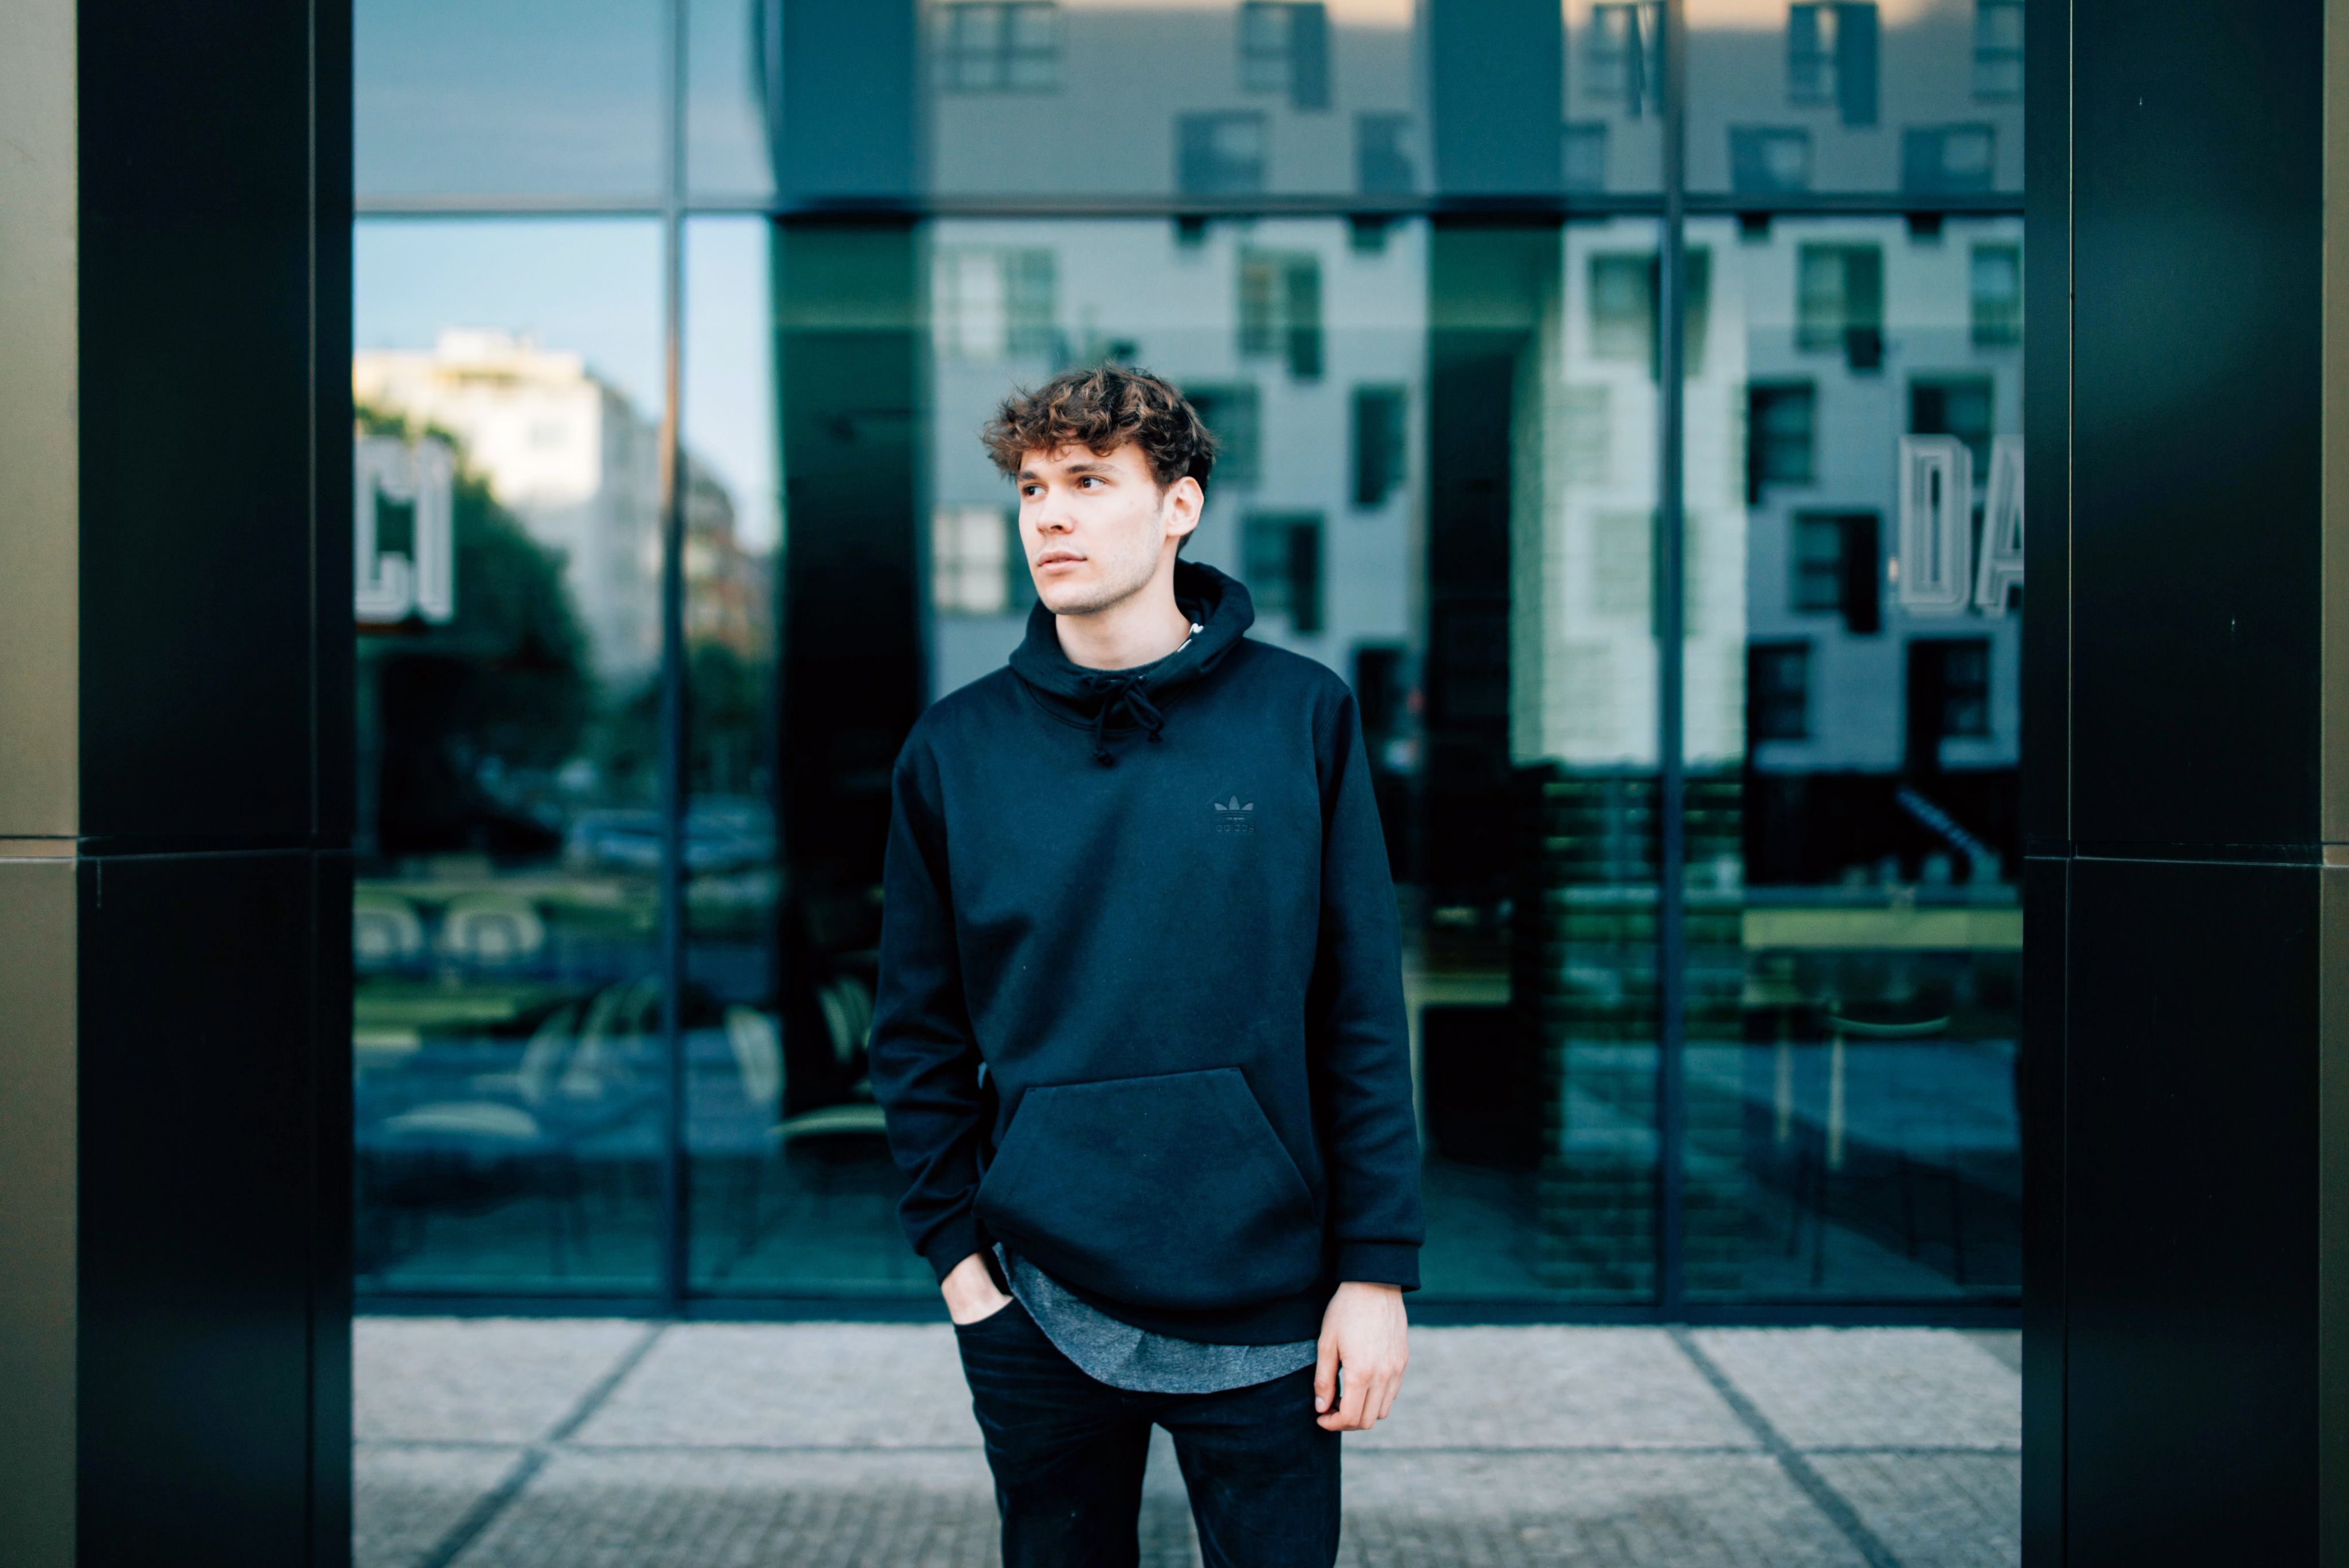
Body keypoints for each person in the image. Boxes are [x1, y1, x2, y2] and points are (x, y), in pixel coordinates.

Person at [869, 364, 1424, 1568]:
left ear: (1179, 506)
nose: (1049, 516)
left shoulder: (1298, 716)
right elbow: (915, 1033)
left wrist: (1375, 1273)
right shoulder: (956, 749)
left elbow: (1359, 1014)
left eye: (1087, 482)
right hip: (1036, 1301)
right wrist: (963, 1273)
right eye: (1031, 489)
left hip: (1270, 1301)